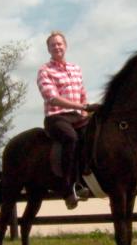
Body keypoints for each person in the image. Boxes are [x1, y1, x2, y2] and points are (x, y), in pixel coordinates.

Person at [37, 31, 95, 209]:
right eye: (53, 45)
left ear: (65, 46)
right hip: (57, 117)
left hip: (77, 115)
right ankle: (67, 189)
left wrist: (85, 109)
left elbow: (82, 93)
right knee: (71, 138)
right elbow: (52, 98)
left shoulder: (75, 68)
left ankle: (85, 181)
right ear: (48, 49)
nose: (57, 47)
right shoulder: (44, 70)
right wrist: (82, 107)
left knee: (95, 135)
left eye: (59, 44)